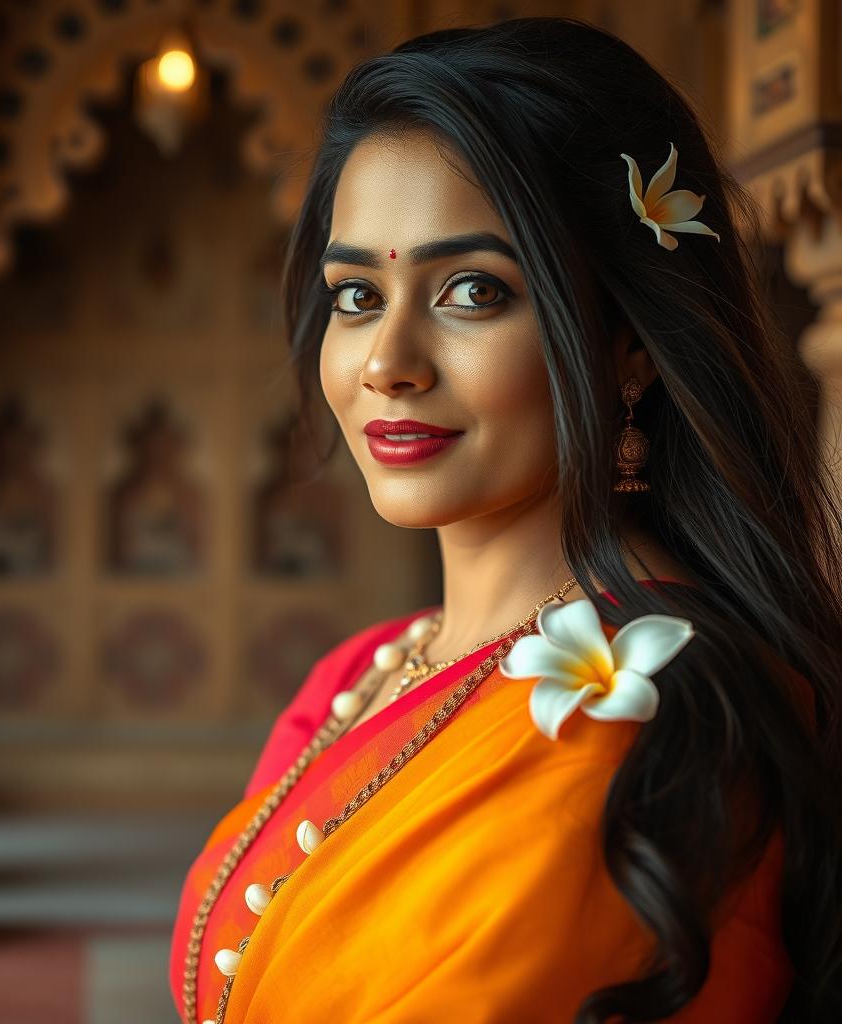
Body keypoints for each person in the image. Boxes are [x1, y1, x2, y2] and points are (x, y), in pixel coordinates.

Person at [169, 16, 842, 1023]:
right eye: (355, 293)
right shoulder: (361, 675)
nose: (387, 360)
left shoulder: (656, 722)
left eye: (471, 290)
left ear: (628, 343)